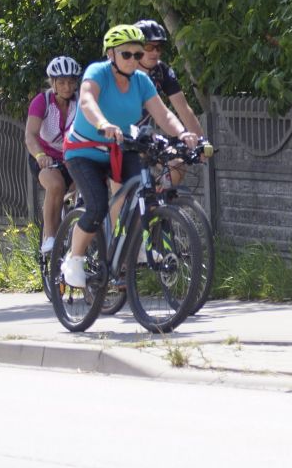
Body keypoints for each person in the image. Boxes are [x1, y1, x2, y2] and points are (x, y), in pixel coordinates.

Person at [59, 25, 200, 288]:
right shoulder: (97, 72)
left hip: (121, 148)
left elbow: (163, 114)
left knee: (144, 193)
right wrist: (103, 123)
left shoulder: (141, 81)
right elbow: (87, 101)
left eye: (138, 54)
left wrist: (183, 134)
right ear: (110, 54)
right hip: (85, 151)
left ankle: (134, 249)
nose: (134, 60)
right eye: (127, 54)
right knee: (97, 206)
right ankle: (74, 259)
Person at [133, 18, 204, 187]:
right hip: (112, 136)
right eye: (149, 47)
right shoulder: (123, 70)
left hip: (142, 136)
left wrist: (201, 142)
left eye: (159, 47)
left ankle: (155, 199)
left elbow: (184, 109)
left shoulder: (161, 71)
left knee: (176, 164)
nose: (155, 52)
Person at [24, 56, 81, 258]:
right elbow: (30, 135)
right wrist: (40, 155)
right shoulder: (42, 101)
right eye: (62, 82)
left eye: (71, 82)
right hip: (45, 158)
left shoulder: (80, 102)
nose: (67, 87)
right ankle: (49, 237)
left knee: (89, 186)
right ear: (53, 82)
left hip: (72, 157)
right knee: (56, 185)